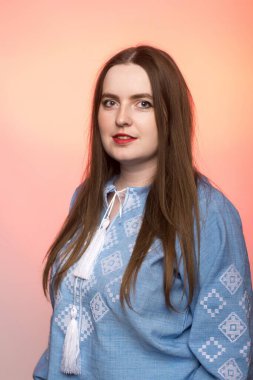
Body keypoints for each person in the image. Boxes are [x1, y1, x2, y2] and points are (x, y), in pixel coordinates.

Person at [33, 44, 253, 380]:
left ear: (170, 114)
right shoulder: (87, 199)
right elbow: (71, 319)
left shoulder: (207, 213)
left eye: (143, 103)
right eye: (110, 102)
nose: (122, 118)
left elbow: (228, 358)